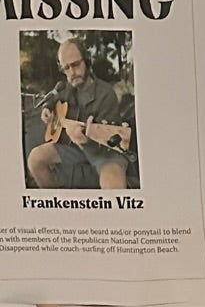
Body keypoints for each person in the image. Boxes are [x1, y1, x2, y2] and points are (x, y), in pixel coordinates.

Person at [27, 35, 136, 191]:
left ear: (87, 61)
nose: (72, 72)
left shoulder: (106, 94)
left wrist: (84, 140)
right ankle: (56, 203)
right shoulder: (68, 88)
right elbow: (56, 97)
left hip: (105, 152)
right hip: (73, 147)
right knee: (35, 159)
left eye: (76, 65)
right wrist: (48, 108)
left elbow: (111, 142)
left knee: (113, 185)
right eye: (67, 68)